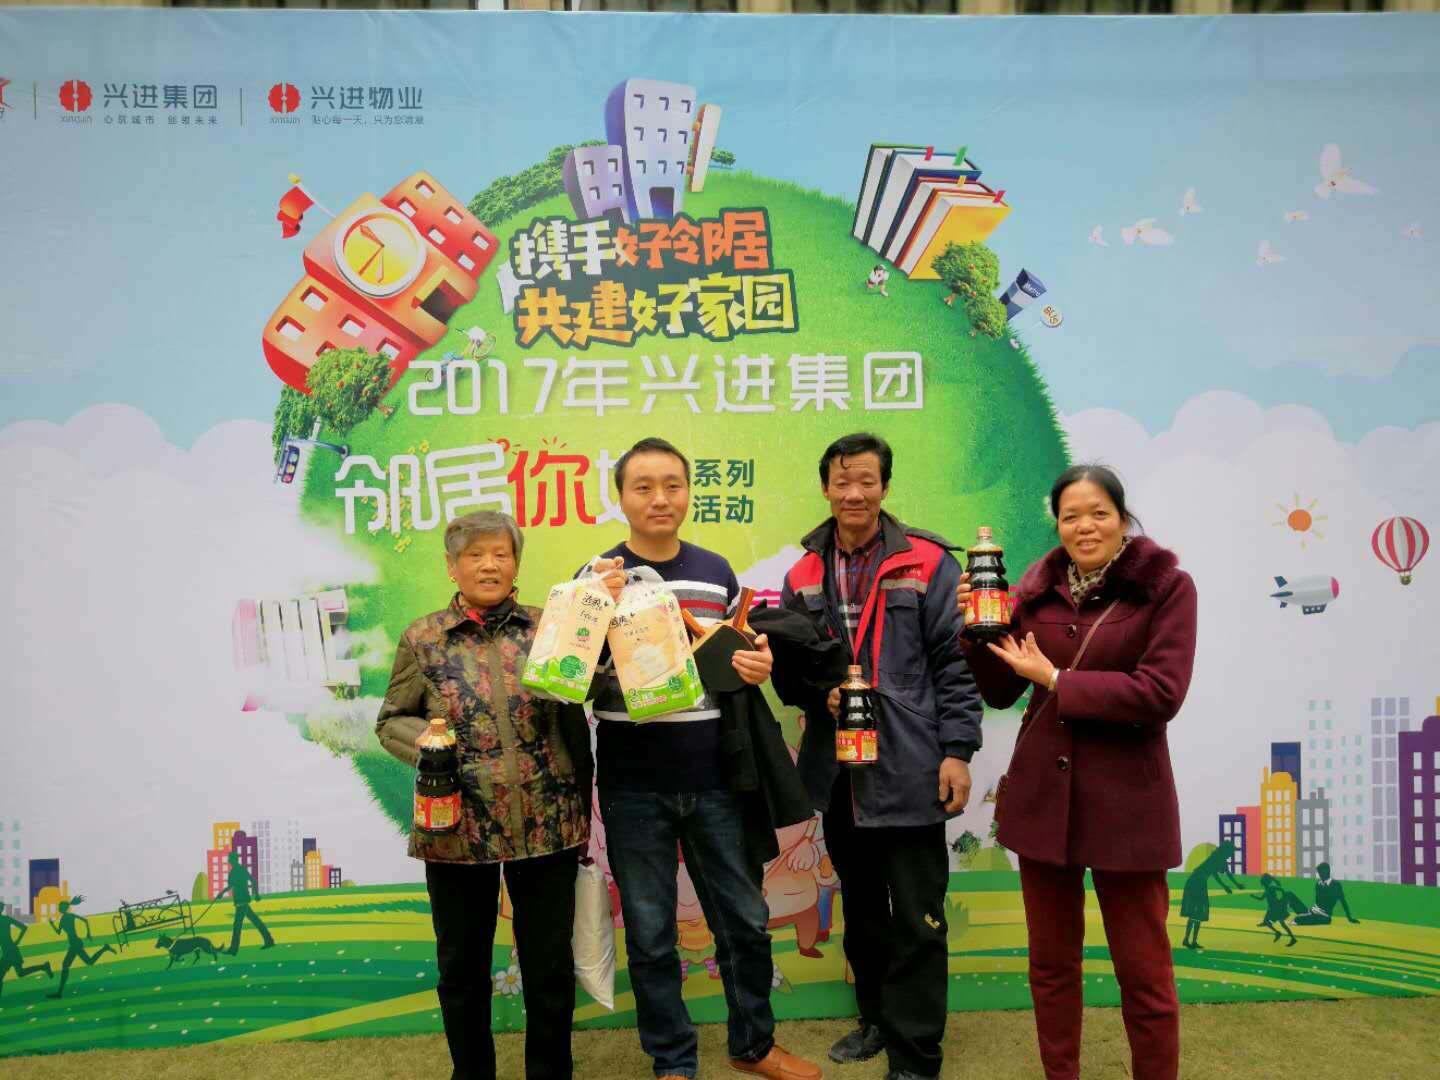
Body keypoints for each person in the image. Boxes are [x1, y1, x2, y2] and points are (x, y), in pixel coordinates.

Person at [588, 436, 821, 1080]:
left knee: (745, 921)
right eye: (643, 487)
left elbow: (736, 658)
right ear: (621, 497)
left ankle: (754, 1046)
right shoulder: (597, 576)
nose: (660, 498)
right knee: (651, 934)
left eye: (672, 485)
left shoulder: (716, 572)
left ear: (689, 492)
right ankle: (672, 1060)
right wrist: (598, 613)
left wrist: (757, 665)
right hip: (633, 783)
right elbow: (572, 678)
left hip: (717, 774)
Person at [956, 463, 1197, 1080]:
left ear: (1122, 517)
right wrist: (977, 631)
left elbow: (1161, 693)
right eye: (1070, 516)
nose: (1084, 526)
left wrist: (1058, 680)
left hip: (1127, 806)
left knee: (1144, 972)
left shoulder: (1167, 588)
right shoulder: (1032, 594)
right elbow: (1002, 690)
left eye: (1098, 513)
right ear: (1056, 523)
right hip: (1043, 802)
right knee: (1051, 967)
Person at [781, 432, 982, 1080]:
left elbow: (956, 663)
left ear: (885, 486)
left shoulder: (927, 562)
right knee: (864, 913)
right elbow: (789, 670)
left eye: (866, 480)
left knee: (918, 918)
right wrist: (819, 690)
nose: (854, 493)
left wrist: (957, 751)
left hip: (912, 768)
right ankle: (874, 1019)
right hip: (840, 773)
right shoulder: (802, 573)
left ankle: (916, 1053)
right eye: (842, 481)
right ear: (825, 488)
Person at [376, 510, 601, 1080]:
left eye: (501, 554)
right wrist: (430, 745)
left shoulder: (548, 627)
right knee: (461, 967)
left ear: (516, 563)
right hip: (456, 828)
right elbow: (391, 719)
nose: (489, 565)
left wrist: (604, 616)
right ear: (452, 567)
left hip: (546, 821)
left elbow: (592, 687)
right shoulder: (424, 638)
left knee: (549, 967)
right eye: (474, 555)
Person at [46, 895, 113, 999]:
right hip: (74, 944)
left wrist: (88, 933)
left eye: (59, 907)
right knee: (88, 962)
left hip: (75, 944)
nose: (58, 908)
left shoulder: (68, 916)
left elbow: (85, 920)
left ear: (63, 908)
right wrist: (52, 924)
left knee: (66, 965)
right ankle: (105, 948)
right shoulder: (63, 918)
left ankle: (59, 993)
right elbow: (59, 932)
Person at [1179, 842, 1240, 950]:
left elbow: (1226, 873)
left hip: (1199, 882)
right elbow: (1217, 874)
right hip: (1196, 883)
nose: (1231, 854)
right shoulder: (1217, 857)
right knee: (1196, 912)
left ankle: (1192, 940)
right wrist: (1226, 886)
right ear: (1226, 851)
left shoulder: (1220, 858)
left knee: (1198, 913)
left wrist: (1235, 884)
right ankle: (1187, 939)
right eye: (1231, 852)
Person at [214, 849, 275, 955]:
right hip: (243, 901)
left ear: (234, 860)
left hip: (241, 902)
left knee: (237, 926)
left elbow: (231, 886)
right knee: (255, 921)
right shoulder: (241, 870)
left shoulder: (234, 872)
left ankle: (234, 949)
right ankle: (269, 940)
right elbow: (252, 881)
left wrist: (221, 893)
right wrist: (256, 894)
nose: (229, 861)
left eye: (230, 859)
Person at [1, 911, 54, 997]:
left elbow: (23, 928)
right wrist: (17, 941)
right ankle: (43, 967)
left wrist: (17, 941)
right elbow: (24, 927)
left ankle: (43, 967)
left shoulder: (5, 919)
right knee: (20, 973)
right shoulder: (6, 919)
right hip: (10, 950)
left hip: (9, 952)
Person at [1293, 863, 1360, 926]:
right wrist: (1310, 912)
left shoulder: (1336, 885)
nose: (1320, 875)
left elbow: (1343, 902)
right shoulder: (1318, 884)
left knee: (1298, 919)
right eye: (1319, 873)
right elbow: (1317, 903)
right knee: (1290, 895)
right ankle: (1302, 917)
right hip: (1312, 912)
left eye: (1321, 873)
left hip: (1324, 917)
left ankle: (1301, 919)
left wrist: (1349, 918)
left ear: (1327, 872)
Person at [1253, 875, 1300, 946]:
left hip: (1275, 908)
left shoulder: (1271, 888)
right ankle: (1289, 937)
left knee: (1267, 922)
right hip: (1273, 908)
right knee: (1280, 923)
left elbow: (1281, 889)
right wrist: (1254, 896)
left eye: (1263, 882)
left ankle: (1278, 933)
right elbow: (1261, 899)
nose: (1262, 883)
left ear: (1265, 882)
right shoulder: (1267, 890)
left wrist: (1283, 901)